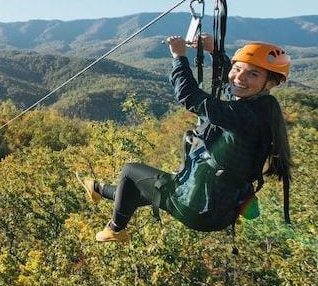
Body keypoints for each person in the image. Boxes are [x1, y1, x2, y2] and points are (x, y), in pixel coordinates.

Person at [80, 34, 292, 243]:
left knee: (130, 171)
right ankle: (98, 189)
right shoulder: (263, 107)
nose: (240, 77)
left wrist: (179, 57)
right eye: (237, 69)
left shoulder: (241, 116)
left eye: (253, 74)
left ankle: (115, 230)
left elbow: (189, 96)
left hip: (198, 208)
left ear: (271, 82)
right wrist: (215, 52)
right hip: (222, 209)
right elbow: (234, 88)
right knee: (143, 188)